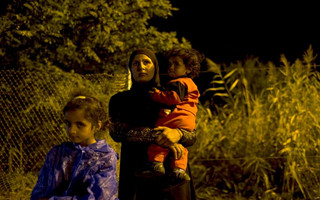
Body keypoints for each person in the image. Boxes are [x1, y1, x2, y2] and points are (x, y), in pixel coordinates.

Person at [108, 48, 197, 200]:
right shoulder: (119, 100)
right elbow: (117, 133)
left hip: (172, 173)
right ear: (130, 67)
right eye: (136, 63)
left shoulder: (170, 95)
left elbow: (193, 134)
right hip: (135, 169)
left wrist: (179, 134)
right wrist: (161, 135)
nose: (141, 67)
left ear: (155, 67)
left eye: (146, 62)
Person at [31, 94, 119, 200]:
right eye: (68, 123)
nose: (72, 130)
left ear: (97, 125)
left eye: (80, 124)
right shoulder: (57, 153)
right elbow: (41, 190)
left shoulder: (105, 157)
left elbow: (100, 196)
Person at [143, 48, 202, 182]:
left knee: (159, 139)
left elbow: (173, 98)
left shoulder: (179, 82)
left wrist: (156, 95)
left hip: (175, 119)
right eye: (170, 64)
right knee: (181, 149)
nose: (171, 67)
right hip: (187, 122)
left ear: (188, 69)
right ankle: (179, 170)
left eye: (176, 64)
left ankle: (156, 165)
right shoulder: (190, 84)